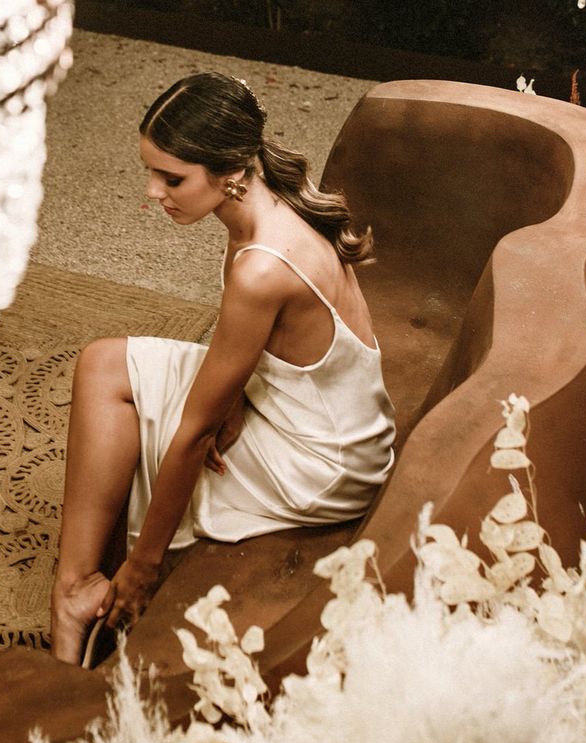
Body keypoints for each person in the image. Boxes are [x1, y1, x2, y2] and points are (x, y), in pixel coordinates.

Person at [50, 72, 396, 665]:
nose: (153, 192)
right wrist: (233, 394)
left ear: (230, 172)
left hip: (321, 458)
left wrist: (143, 566)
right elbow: (270, 337)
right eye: (151, 171)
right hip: (320, 411)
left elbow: (192, 438)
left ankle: (78, 595)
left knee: (155, 430)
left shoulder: (263, 266)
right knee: (102, 364)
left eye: (172, 178)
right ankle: (78, 585)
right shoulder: (268, 201)